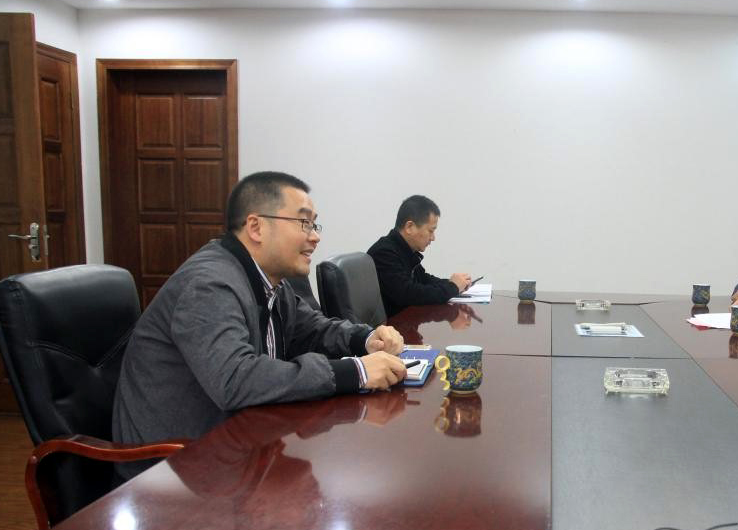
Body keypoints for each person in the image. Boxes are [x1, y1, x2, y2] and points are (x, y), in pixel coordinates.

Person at [113, 171, 408, 446]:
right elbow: (235, 379)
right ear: (256, 227)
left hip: (238, 442)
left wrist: (365, 339)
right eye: (303, 223)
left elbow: (312, 329)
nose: (315, 236)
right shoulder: (208, 284)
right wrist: (354, 371)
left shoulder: (269, 281)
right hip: (174, 463)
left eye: (314, 225)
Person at [367, 195, 472, 318]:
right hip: (391, 326)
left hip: (406, 322)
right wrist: (452, 287)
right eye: (431, 231)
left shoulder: (405, 250)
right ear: (409, 227)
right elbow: (409, 294)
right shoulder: (384, 253)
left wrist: (455, 283)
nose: (433, 238)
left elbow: (424, 280)